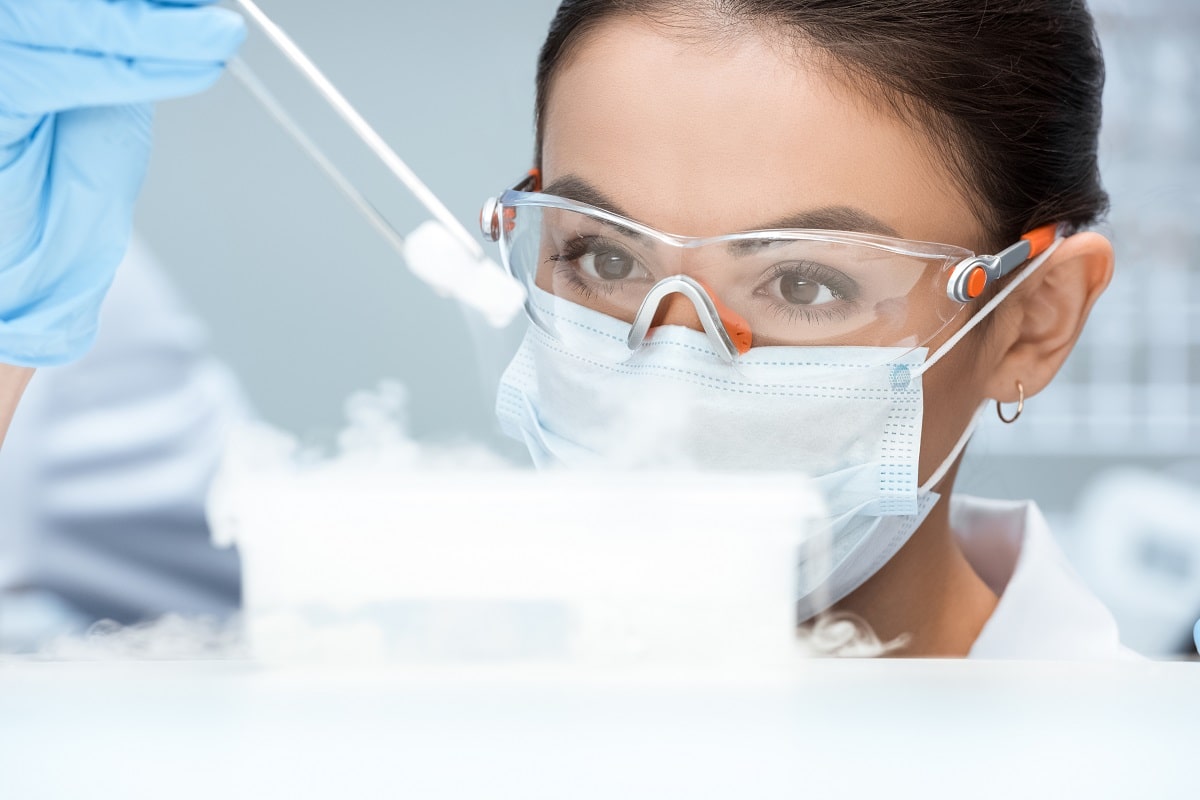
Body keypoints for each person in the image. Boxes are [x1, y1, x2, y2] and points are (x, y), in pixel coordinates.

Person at [484, 0, 1129, 658]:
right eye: (606, 258)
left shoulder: (1142, 757)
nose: (666, 395)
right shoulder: (428, 706)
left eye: (803, 284)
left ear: (1032, 323)